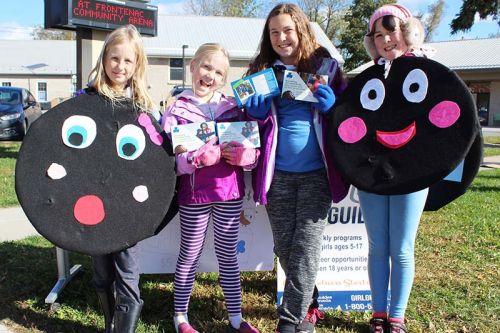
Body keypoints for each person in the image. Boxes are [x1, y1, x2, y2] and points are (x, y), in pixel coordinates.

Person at [243, 3, 349, 333]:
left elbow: (351, 121)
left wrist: (335, 109)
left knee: (306, 247)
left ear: (301, 29)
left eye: (287, 30)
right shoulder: (260, 70)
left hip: (318, 173)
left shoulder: (327, 68)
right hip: (278, 176)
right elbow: (245, 122)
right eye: (274, 32)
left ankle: (290, 321)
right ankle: (308, 302)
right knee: (285, 247)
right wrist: (255, 115)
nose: (281, 37)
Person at [161, 43, 260, 333]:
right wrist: (194, 159)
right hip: (194, 194)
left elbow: (252, 151)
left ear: (224, 78)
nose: (210, 75)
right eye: (206, 67)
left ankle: (236, 318)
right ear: (192, 66)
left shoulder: (233, 106)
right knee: (190, 253)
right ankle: (180, 316)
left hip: (229, 192)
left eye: (218, 72)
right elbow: (172, 160)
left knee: (227, 254)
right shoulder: (176, 109)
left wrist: (246, 157)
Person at [78, 24, 157, 333]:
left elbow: (153, 151)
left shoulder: (143, 106)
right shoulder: (87, 99)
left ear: (137, 64)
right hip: (93, 202)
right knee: (101, 269)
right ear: (104, 58)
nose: (120, 66)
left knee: (127, 269)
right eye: (114, 58)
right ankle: (109, 321)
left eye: (128, 61)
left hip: (127, 208)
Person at [360, 4, 428, 333]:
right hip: (372, 173)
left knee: (401, 248)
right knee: (378, 246)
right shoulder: (369, 75)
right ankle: (378, 314)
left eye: (393, 31)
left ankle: (397, 317)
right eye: (379, 35)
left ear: (409, 32)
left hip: (412, 173)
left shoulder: (427, 71)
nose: (388, 40)